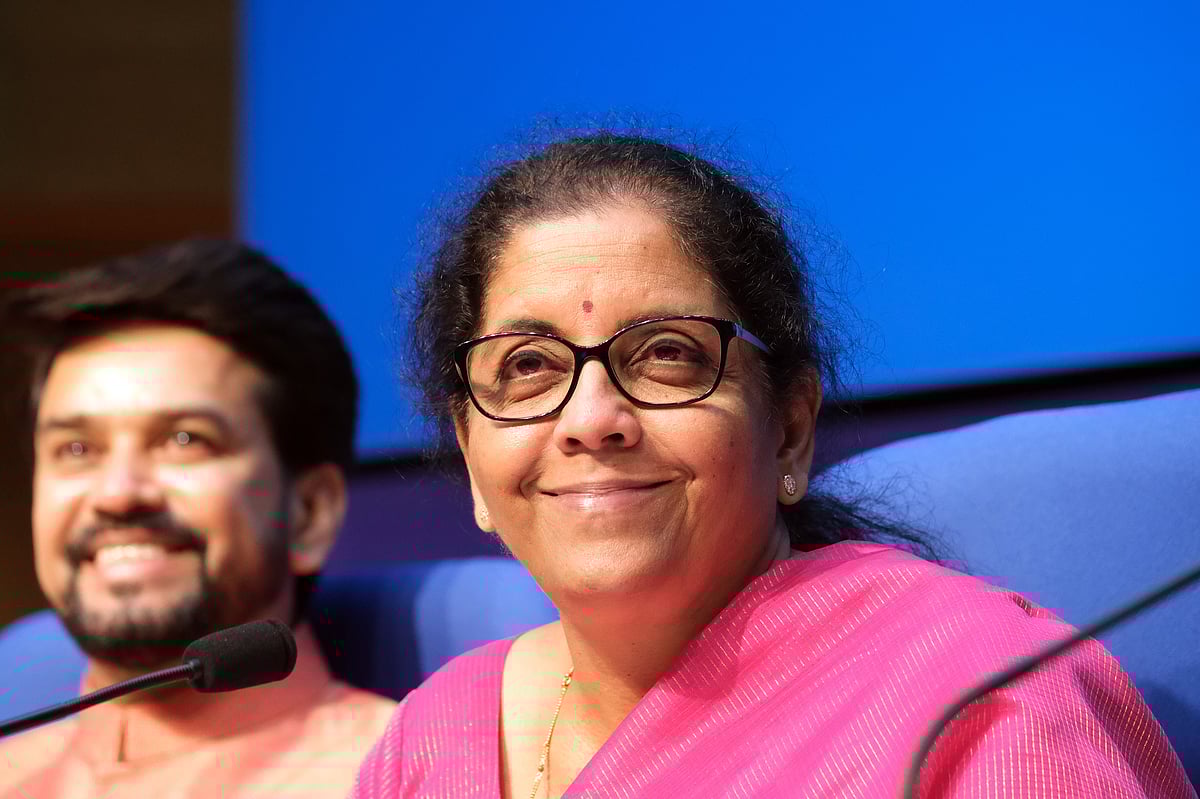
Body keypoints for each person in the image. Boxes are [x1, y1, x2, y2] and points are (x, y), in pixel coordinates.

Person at [352, 132, 1196, 798]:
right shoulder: (435, 737)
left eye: (667, 354)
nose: (591, 419)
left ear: (790, 430)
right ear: (471, 460)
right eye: (527, 365)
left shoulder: (972, 699)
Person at [0, 240, 395, 797]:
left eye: (185, 440)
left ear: (309, 513)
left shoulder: (414, 777)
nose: (118, 494)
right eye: (76, 450)